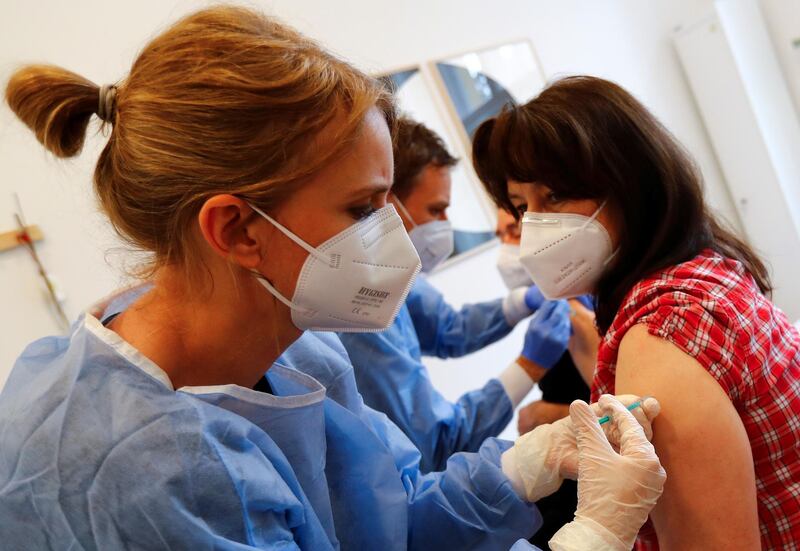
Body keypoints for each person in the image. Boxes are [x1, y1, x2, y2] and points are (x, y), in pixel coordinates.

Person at [0, 9, 666, 550]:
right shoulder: (138, 474)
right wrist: (593, 539)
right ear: (236, 230)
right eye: (363, 208)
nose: (396, 236)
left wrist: (520, 467)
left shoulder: (297, 353)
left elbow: (387, 521)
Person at [473, 74, 800, 549]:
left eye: (555, 196)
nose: (535, 226)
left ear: (628, 181)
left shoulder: (662, 334)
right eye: (524, 206)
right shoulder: (704, 270)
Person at [338, 117, 571, 473]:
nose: (445, 224)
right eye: (435, 211)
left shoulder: (389, 275)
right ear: (386, 203)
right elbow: (437, 441)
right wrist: (528, 367)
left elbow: (447, 329)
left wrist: (519, 303)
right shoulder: (358, 307)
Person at [497, 207, 594, 549]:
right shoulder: (552, 312)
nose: (505, 249)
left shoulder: (580, 314)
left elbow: (637, 407)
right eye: (499, 236)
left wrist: (547, 417)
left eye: (512, 231)